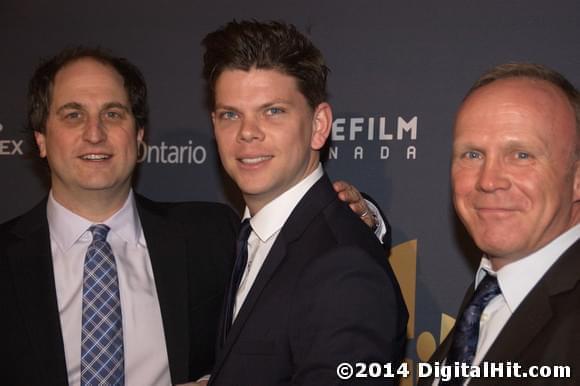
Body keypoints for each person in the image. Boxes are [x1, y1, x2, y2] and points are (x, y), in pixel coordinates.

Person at [0, 46, 381, 386]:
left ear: (138, 135)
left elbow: (307, 259)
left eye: (113, 114)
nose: (95, 133)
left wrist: (361, 218)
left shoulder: (213, 234)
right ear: (41, 139)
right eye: (72, 115)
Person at [201, 20, 408, 386]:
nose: (247, 132)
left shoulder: (345, 268)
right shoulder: (250, 237)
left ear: (319, 125)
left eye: (273, 111)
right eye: (230, 114)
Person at [420, 63, 580, 385]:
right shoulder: (486, 297)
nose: (489, 181)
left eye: (521, 155)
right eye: (472, 155)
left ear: (577, 178)